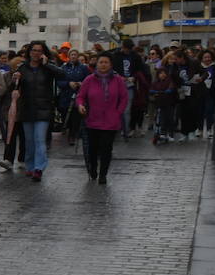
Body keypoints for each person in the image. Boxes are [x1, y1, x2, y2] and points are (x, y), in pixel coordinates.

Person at [11, 42, 66, 180]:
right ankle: (30, 166)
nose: (36, 53)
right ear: (29, 52)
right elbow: (14, 87)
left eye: (39, 51)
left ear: (43, 53)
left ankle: (39, 168)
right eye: (34, 50)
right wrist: (14, 80)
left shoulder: (48, 68)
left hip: (44, 108)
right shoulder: (23, 68)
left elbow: (62, 74)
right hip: (27, 108)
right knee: (29, 141)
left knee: (40, 139)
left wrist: (47, 64)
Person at [75, 54, 130, 185]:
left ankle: (103, 174)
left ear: (110, 65)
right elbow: (80, 96)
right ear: (97, 64)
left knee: (106, 149)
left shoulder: (118, 80)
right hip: (93, 120)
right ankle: (93, 169)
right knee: (93, 149)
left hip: (111, 121)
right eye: (101, 62)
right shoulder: (89, 80)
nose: (103, 65)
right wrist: (81, 105)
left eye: (106, 62)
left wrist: (118, 112)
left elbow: (124, 98)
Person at [58, 48, 91, 146]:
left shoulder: (83, 68)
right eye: (71, 55)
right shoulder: (63, 68)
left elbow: (88, 80)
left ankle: (72, 135)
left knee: (75, 116)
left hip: (78, 95)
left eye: (75, 55)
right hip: (65, 95)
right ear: (69, 56)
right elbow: (59, 81)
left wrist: (81, 84)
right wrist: (68, 83)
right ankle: (67, 129)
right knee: (65, 115)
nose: (73, 56)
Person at [149, 68, 178, 144]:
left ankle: (170, 134)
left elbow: (171, 88)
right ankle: (162, 133)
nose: (162, 74)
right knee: (160, 119)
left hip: (169, 103)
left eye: (164, 73)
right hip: (159, 103)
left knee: (170, 118)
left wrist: (168, 91)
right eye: (161, 73)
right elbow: (151, 90)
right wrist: (155, 92)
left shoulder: (169, 81)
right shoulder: (155, 82)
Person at [198, 49, 215, 137]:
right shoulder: (199, 67)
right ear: (202, 58)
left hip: (211, 92)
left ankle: (210, 129)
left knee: (210, 111)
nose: (207, 59)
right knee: (200, 111)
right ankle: (200, 129)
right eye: (205, 57)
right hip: (200, 92)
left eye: (209, 57)